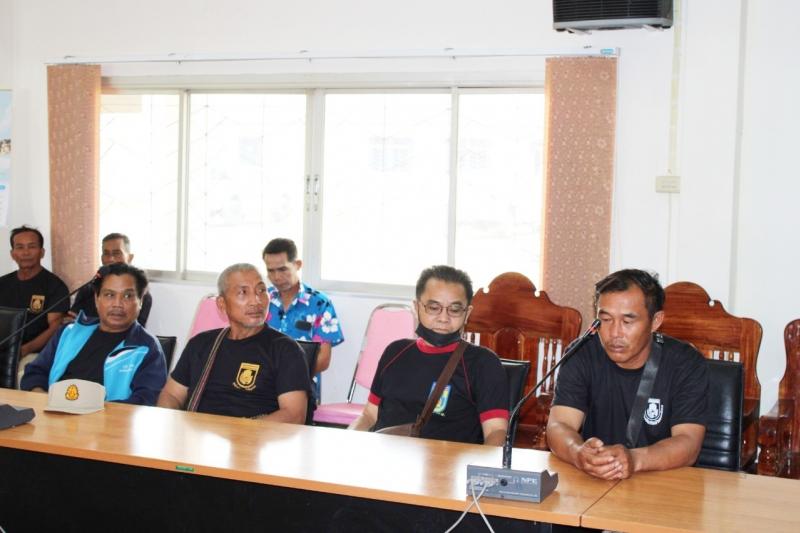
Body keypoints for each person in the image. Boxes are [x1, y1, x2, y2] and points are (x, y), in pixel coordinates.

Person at [547, 268, 709, 481]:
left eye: (627, 321)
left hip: (663, 482)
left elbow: (688, 442)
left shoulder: (685, 362)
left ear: (655, 321)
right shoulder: (582, 353)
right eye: (606, 320)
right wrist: (578, 453)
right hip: (596, 481)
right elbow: (559, 425)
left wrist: (634, 459)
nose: (614, 333)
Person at [349, 265, 509, 445]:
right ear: (417, 307)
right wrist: (347, 442)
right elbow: (369, 415)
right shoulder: (394, 352)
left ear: (467, 313)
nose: (443, 318)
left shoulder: (483, 363)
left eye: (455, 310)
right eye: (433, 307)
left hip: (447, 461)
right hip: (386, 457)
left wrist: (486, 463)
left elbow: (496, 431)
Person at [157, 263, 309, 423]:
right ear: (222, 304)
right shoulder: (201, 344)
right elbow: (171, 395)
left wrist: (242, 433)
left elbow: (293, 415)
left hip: (253, 435)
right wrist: (171, 424)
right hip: (198, 432)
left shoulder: (285, 349)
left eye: (261, 290)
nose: (256, 301)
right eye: (243, 292)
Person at [20, 263, 167, 405]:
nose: (117, 304)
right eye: (109, 295)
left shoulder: (147, 348)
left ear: (141, 302)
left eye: (128, 296)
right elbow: (35, 372)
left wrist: (94, 413)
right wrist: (43, 398)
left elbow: (145, 400)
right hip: (54, 413)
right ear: (97, 299)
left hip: (108, 420)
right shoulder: (69, 332)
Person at [262, 238, 344, 375]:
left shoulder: (320, 304)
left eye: (282, 269)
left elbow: (323, 359)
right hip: (264, 380)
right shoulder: (262, 300)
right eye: (271, 271)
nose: (276, 277)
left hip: (301, 380)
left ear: (298, 265)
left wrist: (291, 378)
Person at [0, 225, 69, 358]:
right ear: (12, 254)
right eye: (20, 247)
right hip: (4, 351)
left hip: (34, 354)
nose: (26, 253)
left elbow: (55, 326)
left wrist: (24, 350)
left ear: (42, 252)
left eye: (31, 247)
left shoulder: (55, 286)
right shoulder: (2, 283)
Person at [68, 232, 153, 326]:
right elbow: (72, 320)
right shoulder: (88, 289)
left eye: (116, 253)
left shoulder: (139, 294)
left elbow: (133, 329)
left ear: (130, 257)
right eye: (106, 254)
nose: (110, 259)